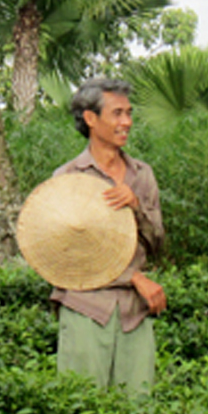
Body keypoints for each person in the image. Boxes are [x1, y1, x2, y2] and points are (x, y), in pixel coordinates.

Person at [51, 77, 166, 395]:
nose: (126, 122)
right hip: (86, 309)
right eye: (117, 113)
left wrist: (136, 207)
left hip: (134, 313)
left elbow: (157, 243)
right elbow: (65, 257)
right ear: (90, 118)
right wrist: (134, 277)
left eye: (129, 113)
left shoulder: (142, 175)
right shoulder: (67, 178)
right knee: (82, 413)